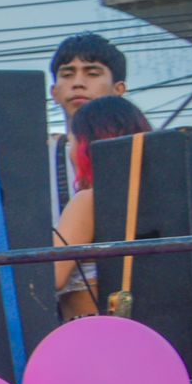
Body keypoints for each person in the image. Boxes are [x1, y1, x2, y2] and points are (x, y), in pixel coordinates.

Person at [53, 96, 152, 320]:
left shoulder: (88, 201)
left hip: (94, 335)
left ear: (86, 146)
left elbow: (51, 274)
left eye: (72, 141)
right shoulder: (154, 198)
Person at [47, 32, 128, 214]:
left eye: (92, 73)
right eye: (67, 74)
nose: (78, 83)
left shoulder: (142, 149)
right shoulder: (37, 158)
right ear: (54, 93)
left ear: (119, 89)